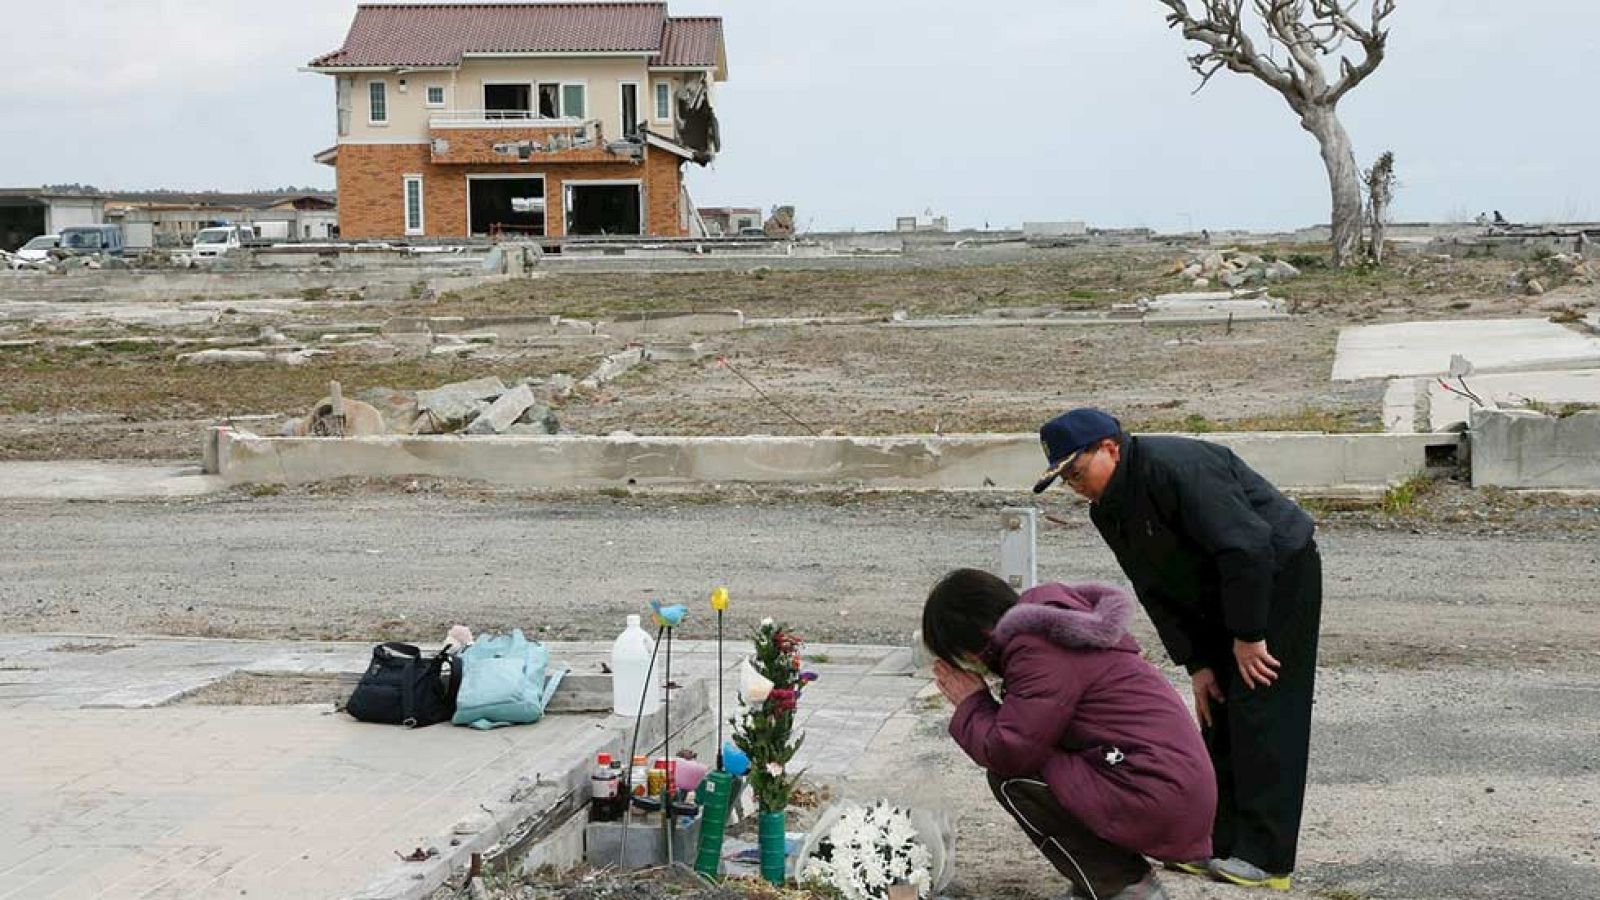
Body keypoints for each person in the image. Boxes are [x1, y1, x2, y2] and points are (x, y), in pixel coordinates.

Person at [1032, 408, 1322, 891]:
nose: (1075, 487)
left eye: (1077, 473)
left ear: (1110, 448)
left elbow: (1247, 547)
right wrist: (1198, 662)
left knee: (1264, 706)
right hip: (1218, 587)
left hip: (1275, 573)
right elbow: (1154, 587)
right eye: (1066, 481)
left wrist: (1249, 635)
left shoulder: (1176, 468)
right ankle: (1215, 843)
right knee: (1217, 708)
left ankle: (1267, 857)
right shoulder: (1107, 509)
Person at [925, 569, 1216, 900]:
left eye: (962, 656)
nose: (970, 664)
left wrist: (973, 704)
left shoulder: (1038, 648)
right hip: (1169, 782)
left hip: (1157, 790)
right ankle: (1112, 876)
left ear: (980, 633)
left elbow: (1010, 751)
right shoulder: (1055, 628)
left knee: (1013, 778)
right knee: (1044, 760)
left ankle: (1124, 884)